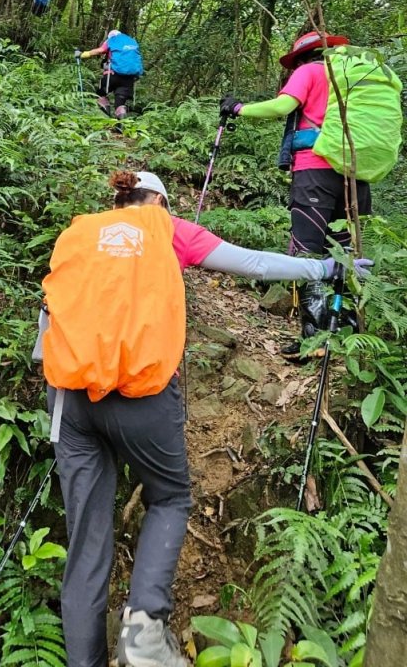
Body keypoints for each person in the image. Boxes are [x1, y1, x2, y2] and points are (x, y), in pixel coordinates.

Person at [37, 169, 370, 667]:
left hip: (69, 397)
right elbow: (254, 264)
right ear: (159, 202)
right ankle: (145, 627)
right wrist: (325, 269)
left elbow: (52, 313)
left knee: (86, 543)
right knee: (169, 498)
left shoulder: (79, 231)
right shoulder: (166, 229)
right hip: (141, 393)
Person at [219, 30, 372, 342]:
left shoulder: (309, 71)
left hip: (315, 170)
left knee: (307, 250)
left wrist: (238, 108)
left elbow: (281, 107)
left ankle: (313, 335)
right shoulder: (354, 79)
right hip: (356, 171)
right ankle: (349, 330)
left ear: (302, 57)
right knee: (344, 248)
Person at [80, 29, 143, 120]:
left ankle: (104, 118)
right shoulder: (132, 41)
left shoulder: (112, 40)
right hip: (129, 78)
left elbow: (100, 50)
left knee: (100, 94)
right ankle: (120, 125)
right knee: (120, 103)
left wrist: (83, 54)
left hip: (112, 75)